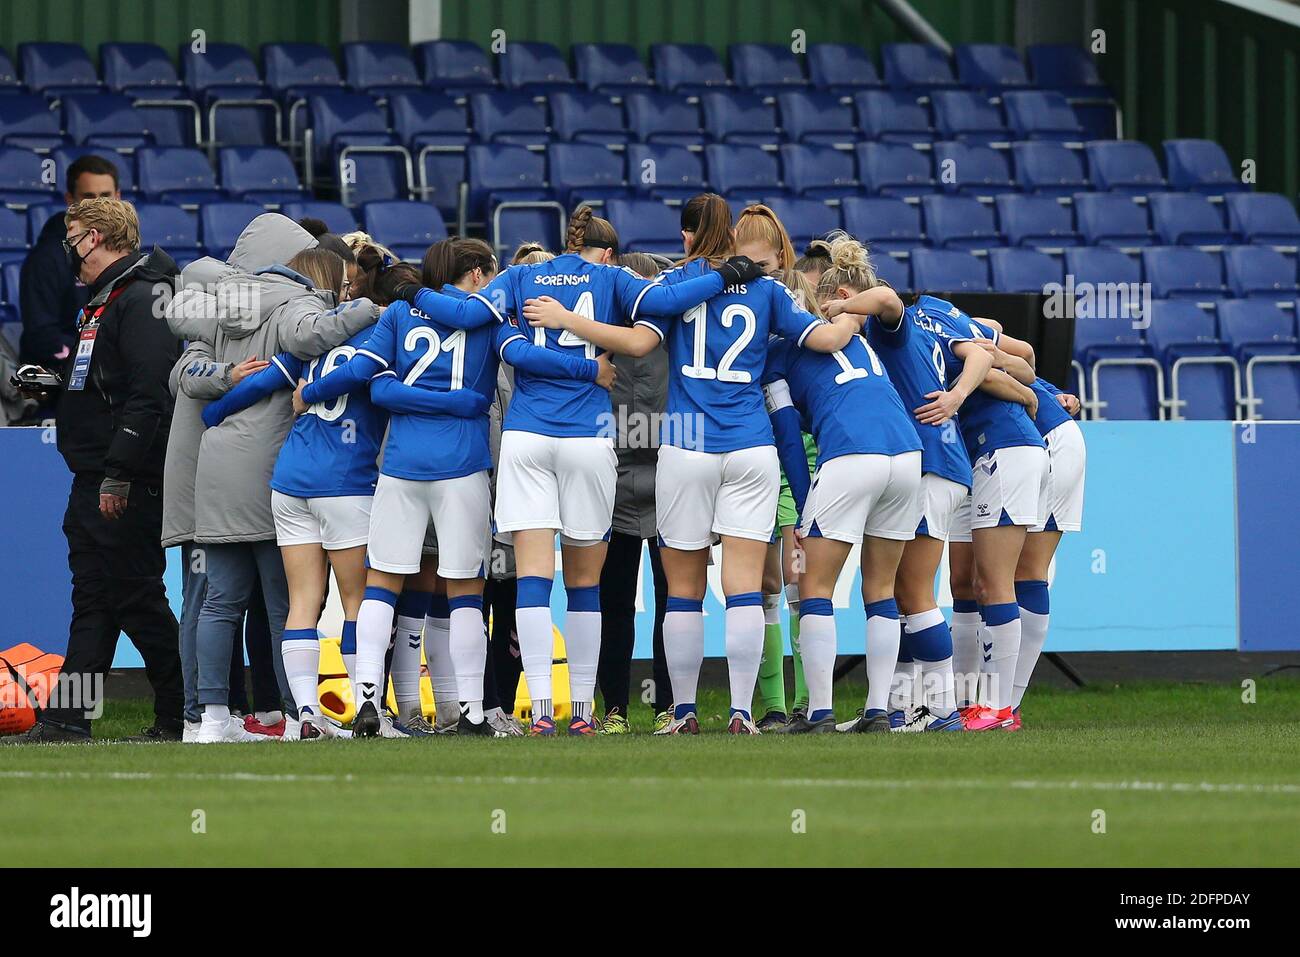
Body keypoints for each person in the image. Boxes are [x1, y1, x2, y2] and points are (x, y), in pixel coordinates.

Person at [524, 194, 864, 735]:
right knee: (746, 587)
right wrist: (854, 311)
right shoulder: (771, 291)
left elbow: (635, 340)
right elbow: (824, 338)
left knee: (683, 589)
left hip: (687, 446)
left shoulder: (676, 287)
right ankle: (741, 712)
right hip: (752, 447)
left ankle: (681, 712)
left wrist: (568, 321)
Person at [302, 235, 617, 737]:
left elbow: (376, 384)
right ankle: (470, 710)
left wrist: (314, 392)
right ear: (475, 274)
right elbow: (528, 361)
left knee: (382, 583)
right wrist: (589, 370)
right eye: (488, 273)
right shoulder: (490, 318)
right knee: (465, 589)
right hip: (462, 466)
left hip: (402, 465)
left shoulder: (399, 313)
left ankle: (368, 702)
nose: (492, 283)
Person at [460, 206, 753, 736]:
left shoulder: (523, 274)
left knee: (532, 578)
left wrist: (413, 295)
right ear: (608, 250)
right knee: (585, 583)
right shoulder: (615, 278)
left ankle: (542, 713)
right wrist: (727, 274)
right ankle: (582, 714)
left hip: (526, 435)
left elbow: (480, 321)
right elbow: (664, 303)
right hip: (586, 439)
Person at [185, 214, 382, 743]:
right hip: (274, 467)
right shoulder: (300, 304)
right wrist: (372, 307)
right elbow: (312, 336)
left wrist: (223, 388)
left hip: (217, 465)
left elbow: (187, 372)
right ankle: (303, 718)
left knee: (218, 601)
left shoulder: (219, 306)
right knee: (287, 602)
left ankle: (209, 721)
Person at [9, 198, 183, 743]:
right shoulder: (107, 301)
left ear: (100, 237)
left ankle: (188, 713)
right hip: (95, 475)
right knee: (96, 597)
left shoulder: (145, 298)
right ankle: (67, 718)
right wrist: (61, 387)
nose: (69, 251)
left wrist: (120, 473)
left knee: (136, 597)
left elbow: (149, 395)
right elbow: (115, 384)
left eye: (75, 237)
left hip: (123, 480)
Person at [818, 233, 992, 732]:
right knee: (896, 591)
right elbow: (985, 345)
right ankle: (900, 708)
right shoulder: (920, 326)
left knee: (914, 591)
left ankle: (941, 712)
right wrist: (957, 395)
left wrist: (838, 309)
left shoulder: (887, 325)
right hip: (934, 462)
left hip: (931, 463)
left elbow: (888, 297)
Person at [758, 263, 923, 734]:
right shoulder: (855, 331)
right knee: (881, 590)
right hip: (906, 454)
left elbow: (790, 438)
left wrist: (808, 503)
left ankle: (820, 713)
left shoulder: (777, 356)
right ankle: (877, 712)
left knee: (813, 588)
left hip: (852, 453)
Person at [912, 301, 1046, 732]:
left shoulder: (925, 323)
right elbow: (1017, 355)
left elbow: (1008, 360)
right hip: (975, 456)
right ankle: (972, 701)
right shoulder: (950, 322)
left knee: (994, 581)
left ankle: (1001, 708)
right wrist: (1023, 385)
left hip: (1003, 449)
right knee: (967, 583)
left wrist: (1022, 390)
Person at [734, 203, 816, 730]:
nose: (754, 273)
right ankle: (772, 706)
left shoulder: (792, 300)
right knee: (762, 582)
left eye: (762, 264)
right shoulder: (732, 295)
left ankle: (811, 700)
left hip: (797, 452)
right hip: (753, 453)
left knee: (799, 581)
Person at [594, 251, 673, 735]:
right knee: (616, 603)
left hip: (667, 485)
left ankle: (668, 706)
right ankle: (617, 708)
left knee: (671, 601)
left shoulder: (676, 337)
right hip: (617, 486)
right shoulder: (600, 338)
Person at [19, 155, 120, 368]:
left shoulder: (127, 252)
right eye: (89, 197)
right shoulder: (45, 260)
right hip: (61, 381)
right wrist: (97, 358)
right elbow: (42, 337)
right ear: (70, 201)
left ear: (118, 198)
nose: (99, 206)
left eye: (106, 196)